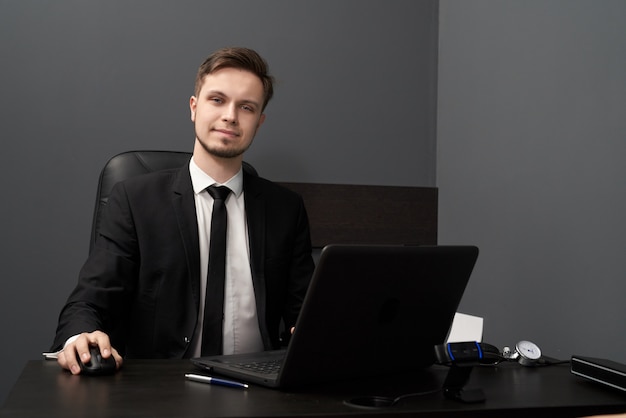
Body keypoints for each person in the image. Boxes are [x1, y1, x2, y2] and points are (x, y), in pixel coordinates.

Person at [50, 47, 315, 375]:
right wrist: (81, 335)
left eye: (246, 107)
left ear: (259, 122)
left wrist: (312, 333)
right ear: (194, 107)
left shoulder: (285, 209)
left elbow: (306, 310)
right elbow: (88, 301)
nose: (230, 116)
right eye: (217, 100)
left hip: (259, 390)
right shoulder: (135, 200)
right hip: (160, 387)